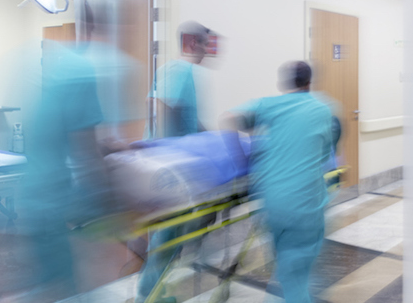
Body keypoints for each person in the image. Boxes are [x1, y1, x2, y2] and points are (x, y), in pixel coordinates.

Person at [220, 61, 335, 303]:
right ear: (309, 83)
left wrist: (242, 163)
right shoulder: (323, 110)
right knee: (297, 277)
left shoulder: (268, 105)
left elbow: (228, 119)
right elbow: (325, 156)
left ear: (282, 84)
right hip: (305, 204)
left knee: (284, 265)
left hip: (271, 203)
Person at [134, 21, 213, 303]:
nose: (207, 50)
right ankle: (147, 295)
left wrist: (214, 137)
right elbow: (159, 107)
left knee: (168, 238)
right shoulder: (181, 70)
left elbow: (185, 118)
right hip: (169, 171)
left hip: (166, 167)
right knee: (167, 240)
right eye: (204, 44)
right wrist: (168, 157)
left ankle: (156, 292)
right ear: (192, 43)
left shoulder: (175, 72)